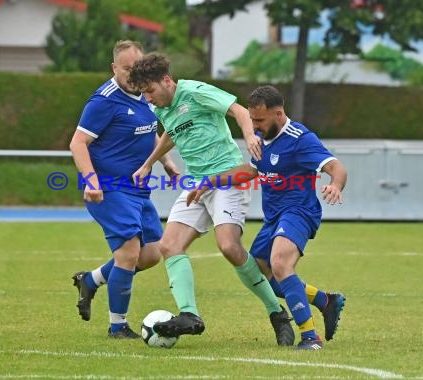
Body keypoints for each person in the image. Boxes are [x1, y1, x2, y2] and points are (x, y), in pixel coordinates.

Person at [129, 53, 296, 346]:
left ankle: (277, 313)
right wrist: (148, 163)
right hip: (196, 182)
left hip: (226, 178)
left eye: (150, 91)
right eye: (143, 93)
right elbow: (172, 132)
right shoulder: (163, 106)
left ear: (167, 81)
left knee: (229, 246)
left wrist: (250, 137)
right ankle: (189, 315)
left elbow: (239, 110)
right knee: (169, 245)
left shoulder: (195, 91)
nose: (148, 98)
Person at [188, 85, 347, 350]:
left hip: (299, 211)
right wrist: (209, 182)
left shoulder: (300, 138)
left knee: (280, 263)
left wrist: (335, 185)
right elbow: (249, 171)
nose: (254, 125)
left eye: (259, 120)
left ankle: (310, 337)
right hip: (273, 219)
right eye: (252, 119)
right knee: (262, 274)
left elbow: (336, 167)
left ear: (278, 113)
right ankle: (324, 301)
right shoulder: (261, 139)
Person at [69, 40, 179, 339]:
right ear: (114, 68)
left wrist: (167, 162)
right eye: (127, 69)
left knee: (152, 253)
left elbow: (151, 132)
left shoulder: (145, 94)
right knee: (129, 252)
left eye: (137, 68)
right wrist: (91, 181)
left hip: (138, 189)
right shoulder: (104, 101)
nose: (133, 74)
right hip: (108, 188)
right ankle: (118, 326)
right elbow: (78, 143)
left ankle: (91, 281)